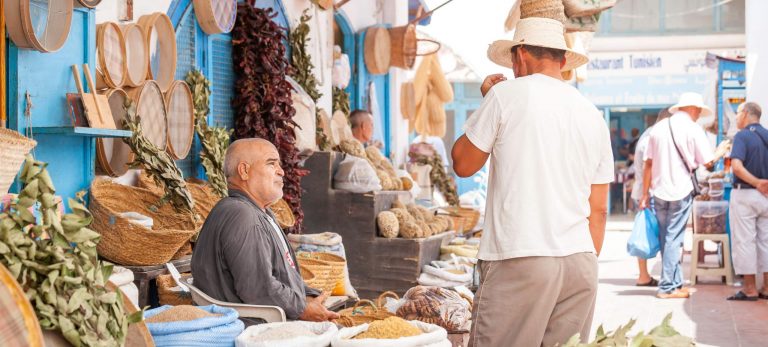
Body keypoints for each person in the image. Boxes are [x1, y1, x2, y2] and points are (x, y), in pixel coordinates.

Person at [452, 18, 613, 346]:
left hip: (522, 257)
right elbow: (599, 210)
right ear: (563, 61)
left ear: (519, 55)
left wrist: (489, 101)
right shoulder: (591, 114)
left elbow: (463, 164)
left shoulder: (504, 96)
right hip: (580, 263)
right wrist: (575, 258)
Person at [191, 138, 339, 323]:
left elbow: (278, 274)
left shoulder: (258, 211)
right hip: (253, 329)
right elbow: (257, 288)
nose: (281, 171)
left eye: (279, 164)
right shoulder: (241, 215)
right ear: (244, 171)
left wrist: (309, 296)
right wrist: (302, 308)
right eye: (271, 164)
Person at [639, 92, 729, 299]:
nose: (698, 115)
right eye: (698, 111)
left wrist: (645, 193)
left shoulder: (658, 128)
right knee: (673, 238)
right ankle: (667, 287)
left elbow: (648, 164)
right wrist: (721, 151)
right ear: (693, 109)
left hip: (658, 190)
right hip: (680, 190)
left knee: (667, 237)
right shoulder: (692, 129)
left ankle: (676, 283)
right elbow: (707, 162)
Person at [726, 102, 768, 301]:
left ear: (746, 114)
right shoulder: (767, 135)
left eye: (737, 113)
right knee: (766, 242)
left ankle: (750, 288)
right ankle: (767, 288)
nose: (736, 117)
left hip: (746, 194)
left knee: (745, 241)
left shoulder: (742, 136)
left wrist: (757, 182)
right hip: (766, 197)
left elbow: (736, 166)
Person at [631, 109, 671, 287]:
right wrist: (646, 195)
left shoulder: (649, 134)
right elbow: (649, 166)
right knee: (651, 234)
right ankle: (645, 275)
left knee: (647, 233)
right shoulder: (653, 137)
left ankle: (645, 275)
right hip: (647, 193)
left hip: (644, 192)